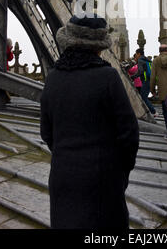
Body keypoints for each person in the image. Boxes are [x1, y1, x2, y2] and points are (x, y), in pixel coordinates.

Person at [40, 14, 139, 229]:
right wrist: (120, 172)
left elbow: (46, 133)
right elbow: (129, 134)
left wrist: (66, 156)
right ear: (99, 46)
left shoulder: (53, 78)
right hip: (102, 178)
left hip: (63, 176)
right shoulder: (107, 77)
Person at [150, 45, 167, 141]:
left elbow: (152, 77)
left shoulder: (156, 61)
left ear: (159, 51)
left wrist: (152, 90)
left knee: (166, 113)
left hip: (162, 91)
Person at [131, 48, 156, 116]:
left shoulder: (140, 60)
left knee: (143, 97)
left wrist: (132, 77)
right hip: (150, 79)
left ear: (139, 54)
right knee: (144, 96)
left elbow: (140, 72)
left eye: (136, 54)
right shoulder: (147, 60)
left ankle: (153, 111)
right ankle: (151, 111)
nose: (136, 55)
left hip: (145, 80)